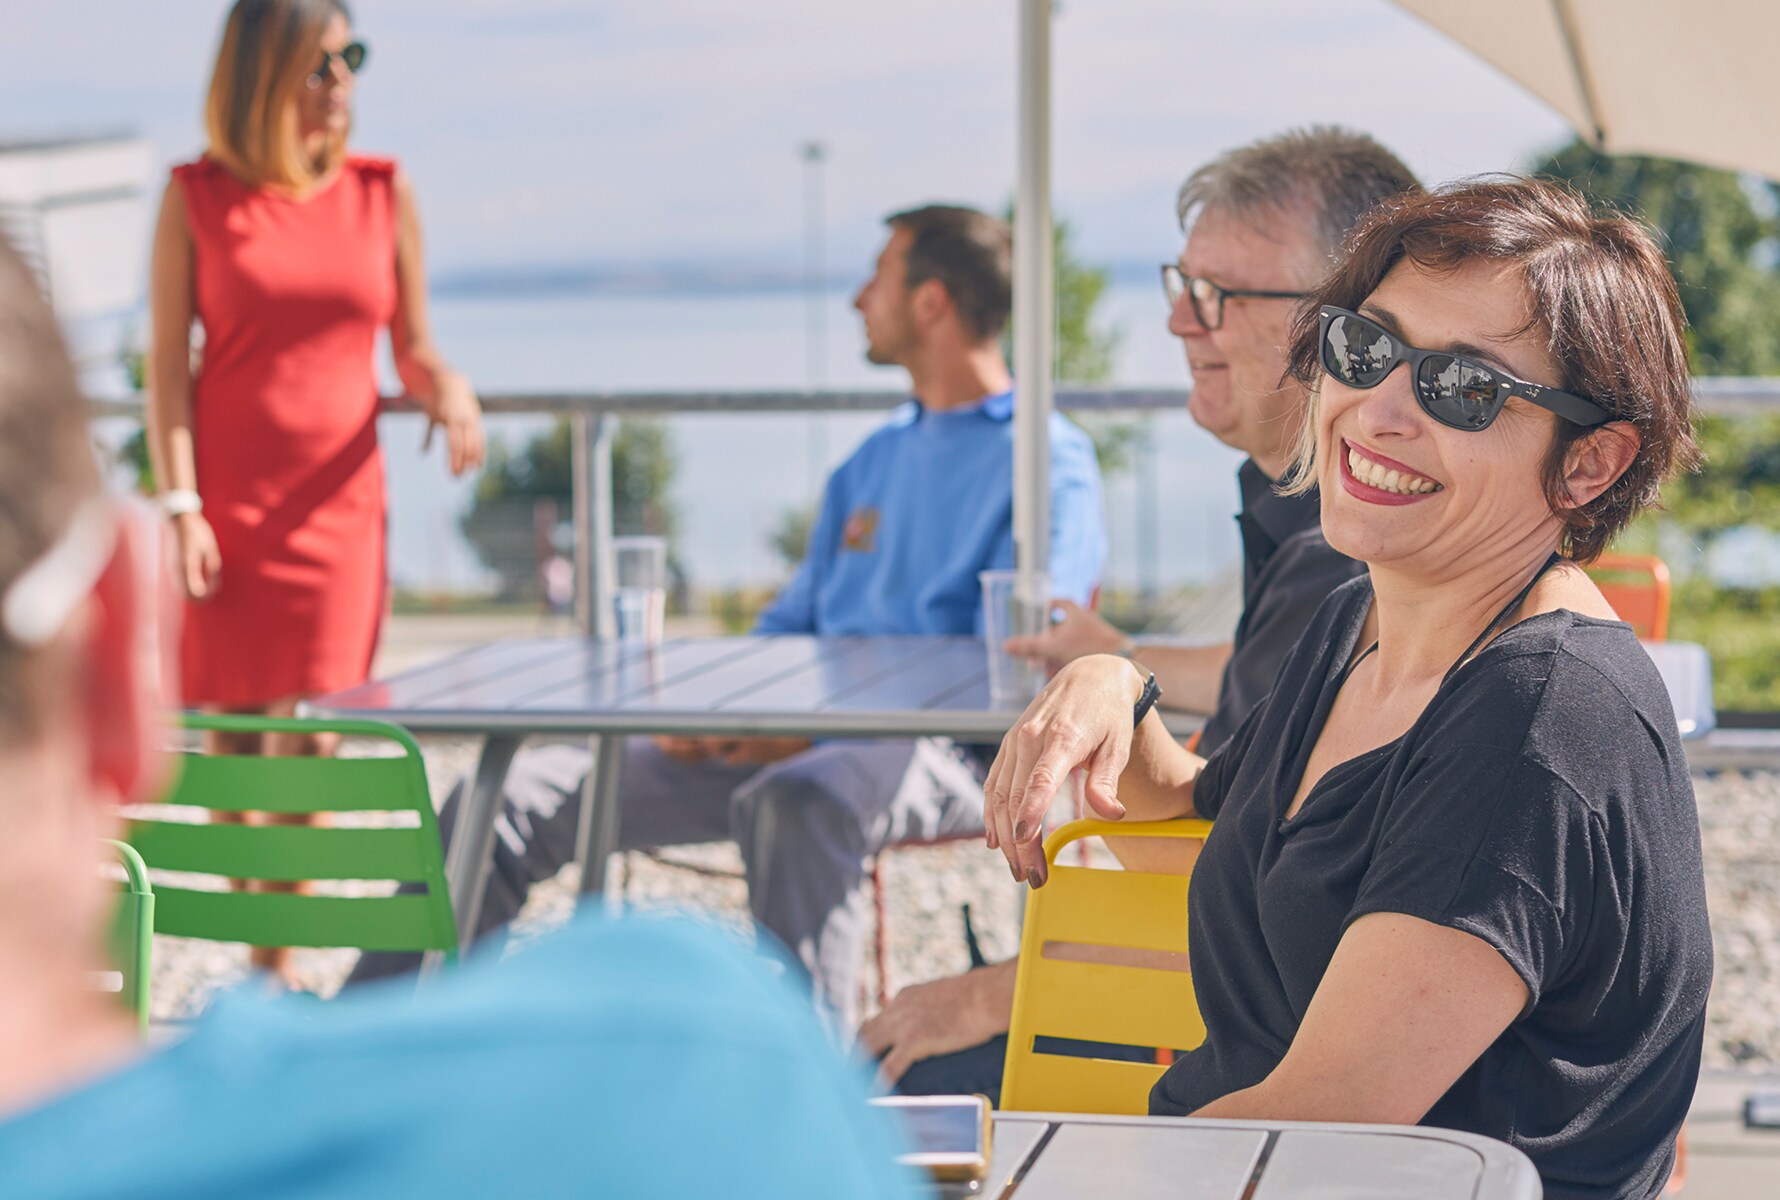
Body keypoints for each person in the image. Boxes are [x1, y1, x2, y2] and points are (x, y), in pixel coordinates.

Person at [0, 237, 915, 1200]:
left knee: (797, 795)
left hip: (914, 748)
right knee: (521, 791)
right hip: (778, 758)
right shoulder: (696, 1068)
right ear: (121, 661)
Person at [984, 178, 1711, 1200]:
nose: (1379, 407)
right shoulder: (1359, 623)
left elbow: (1324, 1118)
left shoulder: (1540, 715)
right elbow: (1185, 844)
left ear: (1588, 462)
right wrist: (1112, 687)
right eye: (1363, 349)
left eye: (1464, 389)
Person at [350, 204, 1108, 1030]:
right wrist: (713, 717)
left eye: (877, 277)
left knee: (797, 801)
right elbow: (788, 630)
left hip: (941, 753)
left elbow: (1039, 640)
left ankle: (800, 1111)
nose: (858, 299)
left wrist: (806, 734)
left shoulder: (1047, 460)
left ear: (931, 303)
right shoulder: (872, 462)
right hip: (783, 733)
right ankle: (352, 1050)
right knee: (505, 797)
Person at [862, 126, 1418, 1100]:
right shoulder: (1313, 521)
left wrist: (1011, 985)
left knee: (903, 1083)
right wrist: (1117, 659)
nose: (1176, 322)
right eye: (1178, 284)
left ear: (1346, 325)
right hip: (1256, 995)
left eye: (1216, 296)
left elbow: (1236, 890)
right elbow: (1254, 754)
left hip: (1252, 1042)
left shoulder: (1347, 553)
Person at [146, 0, 484, 976]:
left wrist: (448, 387)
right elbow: (168, 369)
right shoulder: (196, 196)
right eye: (318, 66)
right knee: (233, 749)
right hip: (225, 514)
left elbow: (411, 349)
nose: (341, 86)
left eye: (351, 61)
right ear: (259, 77)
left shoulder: (383, 191)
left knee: (311, 744)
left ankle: (273, 970)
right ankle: (265, 957)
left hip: (335, 515)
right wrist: (180, 505)